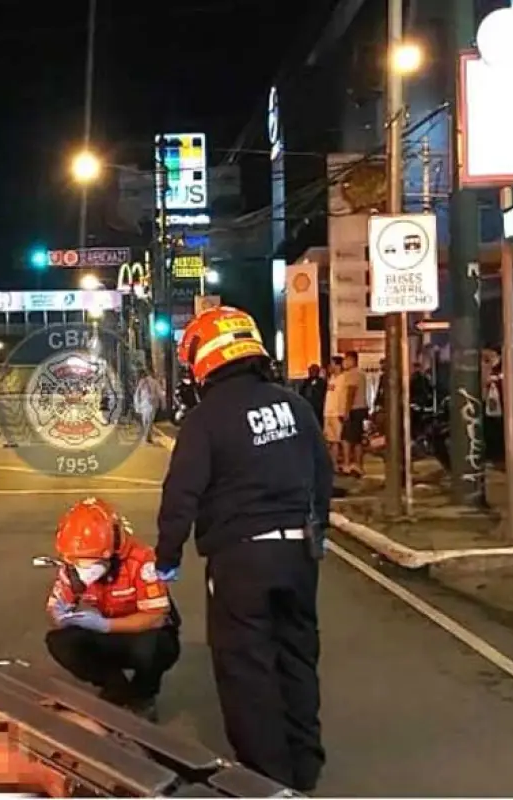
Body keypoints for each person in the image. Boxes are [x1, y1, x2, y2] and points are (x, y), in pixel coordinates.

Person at [155, 305, 332, 792]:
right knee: (297, 656)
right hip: (298, 553)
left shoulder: (206, 419)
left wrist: (167, 558)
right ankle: (305, 766)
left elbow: (181, 495)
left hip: (240, 558)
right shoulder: (293, 405)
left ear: (203, 358)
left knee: (246, 668)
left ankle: (267, 779)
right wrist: (322, 530)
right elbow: (323, 471)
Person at [44, 497, 180, 721]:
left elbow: (155, 617)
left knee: (156, 648)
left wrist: (104, 625)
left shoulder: (142, 560)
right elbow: (56, 606)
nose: (84, 568)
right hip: (110, 633)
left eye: (91, 560)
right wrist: (62, 614)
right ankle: (114, 686)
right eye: (78, 561)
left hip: (141, 633)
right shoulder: (73, 568)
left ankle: (143, 694)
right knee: (60, 642)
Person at [339, 351, 368, 477]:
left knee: (346, 438)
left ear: (352, 360)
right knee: (357, 439)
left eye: (346, 360)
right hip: (360, 409)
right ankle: (358, 465)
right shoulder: (360, 374)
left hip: (354, 409)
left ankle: (348, 464)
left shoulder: (352, 374)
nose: (344, 363)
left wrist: (346, 411)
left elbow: (351, 393)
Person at [322, 357, 345, 467]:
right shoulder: (331, 378)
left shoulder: (343, 378)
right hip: (328, 412)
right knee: (330, 440)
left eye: (332, 364)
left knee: (338, 439)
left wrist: (342, 411)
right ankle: (332, 463)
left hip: (337, 413)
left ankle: (341, 462)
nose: (329, 367)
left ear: (338, 365)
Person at [134, 370, 163, 443]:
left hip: (145, 405)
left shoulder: (142, 383)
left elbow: (137, 395)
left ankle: (147, 436)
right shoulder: (153, 382)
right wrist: (162, 403)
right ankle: (148, 436)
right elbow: (160, 394)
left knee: (146, 421)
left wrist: (137, 406)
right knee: (149, 421)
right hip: (151, 404)